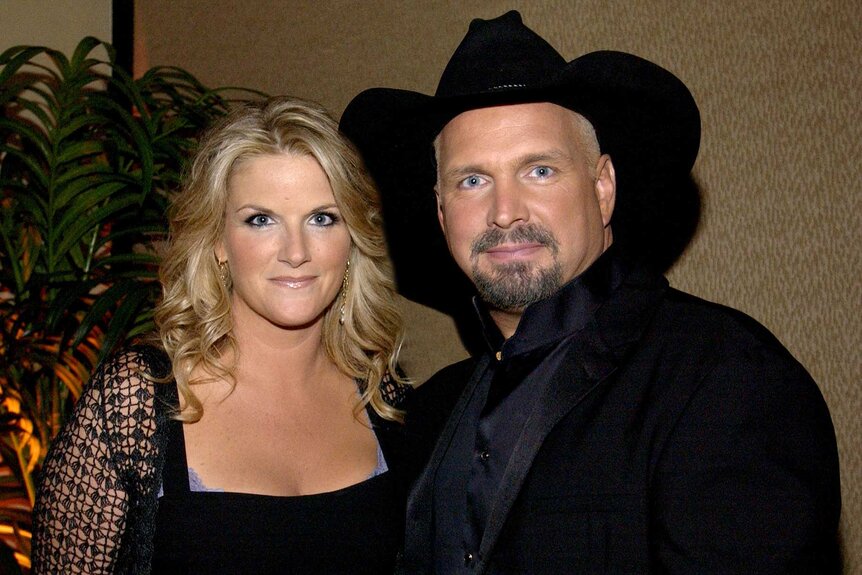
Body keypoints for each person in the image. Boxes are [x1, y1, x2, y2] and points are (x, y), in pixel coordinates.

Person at [339, 11, 841, 574]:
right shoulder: (426, 413)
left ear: (603, 188)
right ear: (440, 209)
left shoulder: (723, 379)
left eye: (540, 171)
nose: (504, 212)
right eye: (472, 180)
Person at [31, 96, 411, 574]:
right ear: (218, 241)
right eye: (260, 220)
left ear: (353, 238)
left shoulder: (385, 396)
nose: (296, 252)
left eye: (322, 218)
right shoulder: (137, 401)